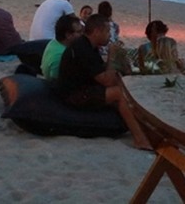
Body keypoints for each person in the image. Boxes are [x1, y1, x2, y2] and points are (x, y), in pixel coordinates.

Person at [57, 14, 152, 150]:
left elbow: (103, 73)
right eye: (107, 31)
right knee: (119, 93)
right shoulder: (82, 48)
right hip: (74, 94)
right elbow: (107, 81)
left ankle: (144, 129)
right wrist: (112, 55)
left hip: (86, 86)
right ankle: (140, 139)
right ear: (97, 31)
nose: (109, 35)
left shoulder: (90, 46)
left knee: (123, 87)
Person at [41, 15, 84, 81]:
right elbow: (57, 81)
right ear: (68, 35)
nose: (82, 34)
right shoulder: (61, 55)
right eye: (79, 32)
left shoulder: (54, 42)